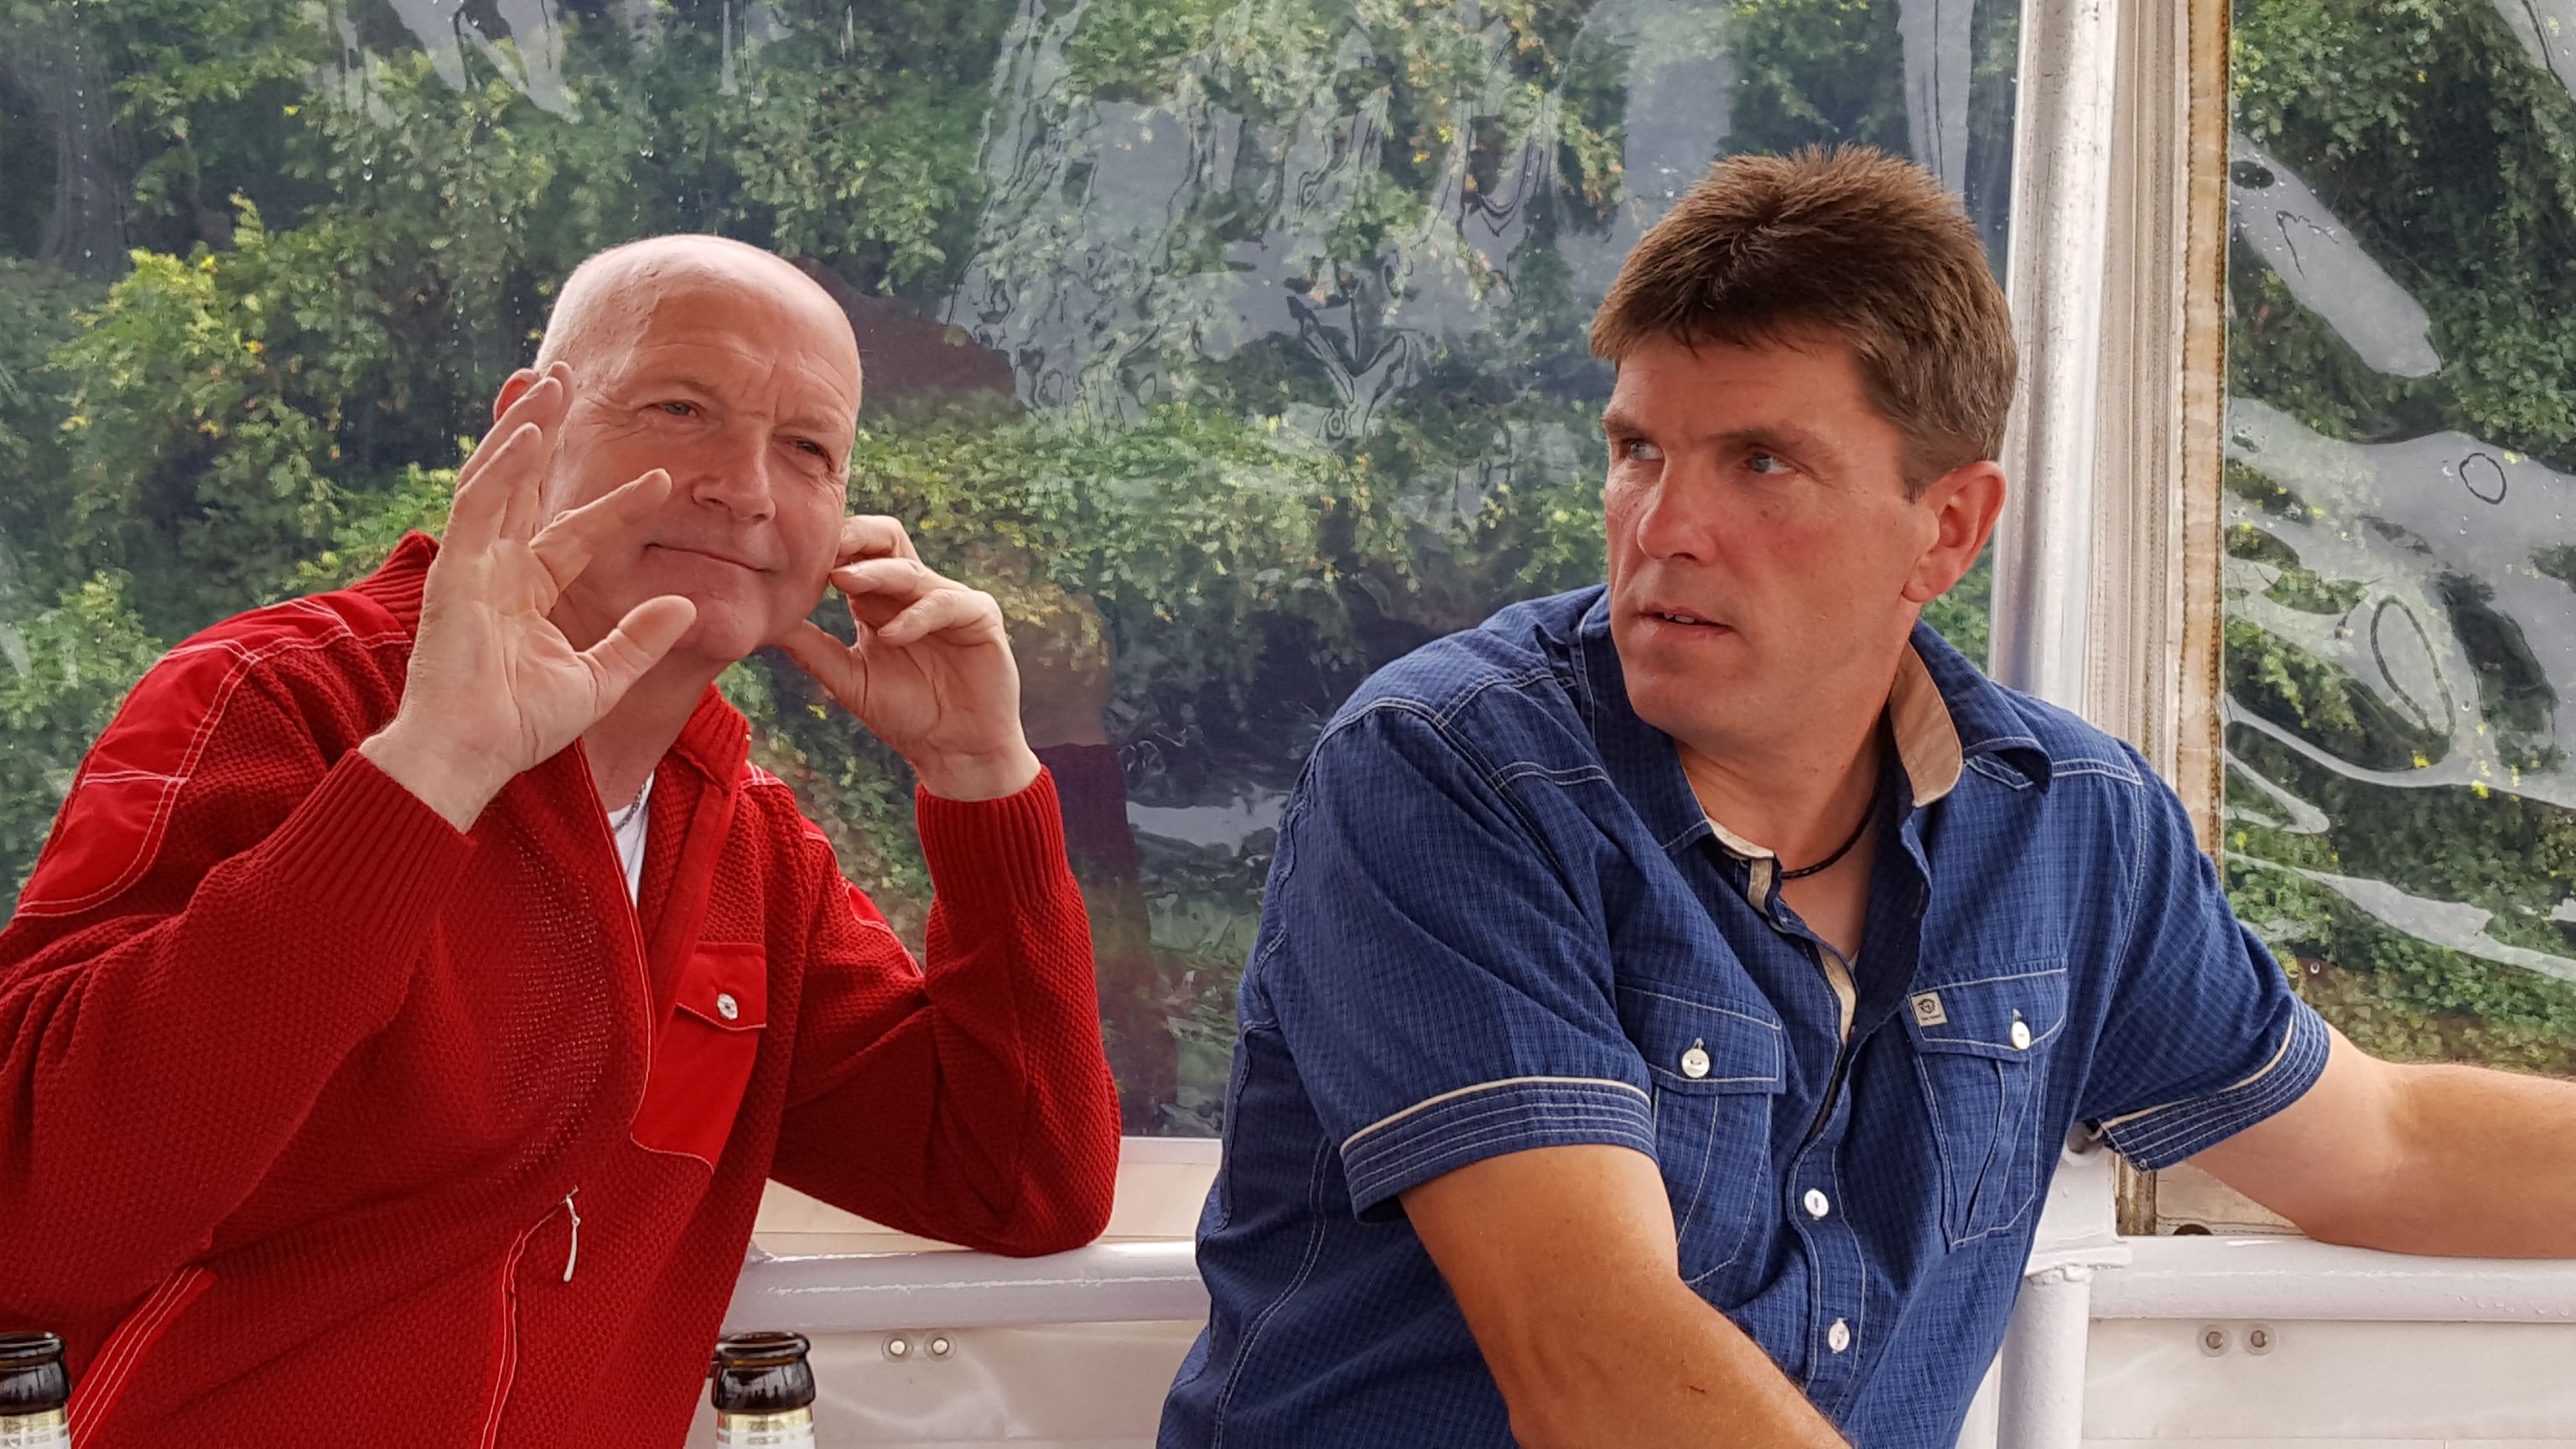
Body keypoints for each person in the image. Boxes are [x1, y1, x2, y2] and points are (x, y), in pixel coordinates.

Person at [1157, 148, 2576, 1448]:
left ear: (1947, 528)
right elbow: (1595, 1362)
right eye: (1638, 450)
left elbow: (2378, 1149)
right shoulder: (1447, 771)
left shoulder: (2070, 829)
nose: (1664, 529)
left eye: (1761, 462)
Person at [0, 235, 1122, 1446]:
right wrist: (430, 771)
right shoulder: (274, 699)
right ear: (523, 427)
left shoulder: (753, 850)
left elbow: (1024, 1185)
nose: (746, 487)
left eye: (808, 449)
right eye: (681, 408)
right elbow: (38, 1228)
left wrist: (982, 780)